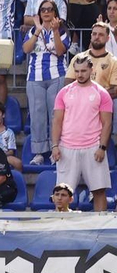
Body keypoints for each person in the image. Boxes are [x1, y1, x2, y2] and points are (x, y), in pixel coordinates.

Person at [52, 53, 112, 212]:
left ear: (91, 70)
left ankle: (99, 229)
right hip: (67, 148)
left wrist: (102, 147)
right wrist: (54, 146)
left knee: (99, 190)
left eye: (83, 71)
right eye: (77, 71)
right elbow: (57, 121)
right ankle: (62, 228)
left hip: (93, 148)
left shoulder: (102, 93)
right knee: (62, 194)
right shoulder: (63, 92)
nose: (79, 74)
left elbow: (107, 123)